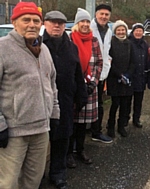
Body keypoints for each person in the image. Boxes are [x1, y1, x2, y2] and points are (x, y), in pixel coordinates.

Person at [0, 2, 60, 189]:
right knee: (8, 183)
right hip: (13, 131)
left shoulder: (44, 50)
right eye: (26, 20)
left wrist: (54, 113)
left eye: (36, 20)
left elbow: (52, 84)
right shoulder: (3, 48)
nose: (32, 24)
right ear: (15, 22)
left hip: (41, 129)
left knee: (33, 180)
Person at [43, 11, 88, 188]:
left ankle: (58, 174)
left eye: (61, 23)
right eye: (53, 22)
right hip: (43, 101)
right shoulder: (37, 45)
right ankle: (37, 176)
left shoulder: (71, 47)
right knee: (40, 143)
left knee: (62, 139)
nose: (57, 26)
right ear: (45, 24)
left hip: (66, 100)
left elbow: (78, 72)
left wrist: (81, 94)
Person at [68, 8, 103, 165]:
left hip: (89, 87)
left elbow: (99, 63)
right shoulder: (69, 39)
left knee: (83, 124)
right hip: (73, 88)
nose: (85, 24)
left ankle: (80, 149)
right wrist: (76, 84)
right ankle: (69, 152)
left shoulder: (94, 40)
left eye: (88, 21)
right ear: (76, 23)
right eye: (82, 21)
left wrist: (93, 83)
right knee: (71, 122)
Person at [106, 20, 135, 138]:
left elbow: (133, 61)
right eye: (119, 30)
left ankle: (121, 126)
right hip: (114, 79)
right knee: (114, 104)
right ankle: (110, 126)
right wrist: (119, 75)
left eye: (123, 29)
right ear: (115, 31)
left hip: (127, 80)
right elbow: (109, 61)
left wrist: (127, 75)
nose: (121, 32)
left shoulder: (130, 44)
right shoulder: (111, 43)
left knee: (125, 105)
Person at [90, 4, 113, 143]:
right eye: (101, 14)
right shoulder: (89, 29)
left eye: (107, 15)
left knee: (99, 104)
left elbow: (107, 50)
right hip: (89, 73)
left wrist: (108, 62)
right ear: (96, 14)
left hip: (102, 73)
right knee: (86, 104)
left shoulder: (109, 31)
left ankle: (96, 132)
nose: (104, 17)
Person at [128, 23, 148, 128]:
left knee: (138, 101)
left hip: (141, 76)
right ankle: (125, 119)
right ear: (133, 31)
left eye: (140, 30)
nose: (138, 32)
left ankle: (136, 119)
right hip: (131, 76)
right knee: (127, 101)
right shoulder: (128, 42)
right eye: (137, 30)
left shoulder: (144, 44)